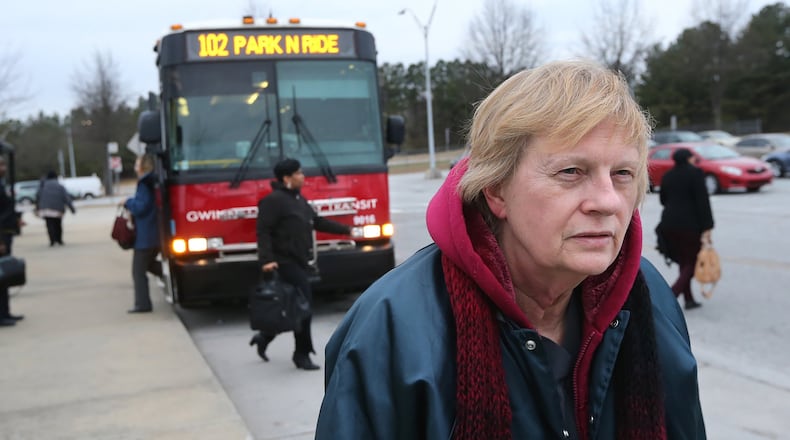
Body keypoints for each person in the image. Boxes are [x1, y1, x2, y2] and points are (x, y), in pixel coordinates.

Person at [315, 60, 706, 439]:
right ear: (497, 189)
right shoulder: (391, 329)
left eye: (622, 174)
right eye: (571, 172)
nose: (607, 202)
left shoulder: (648, 297)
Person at [250, 158, 352, 371]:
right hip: (283, 263)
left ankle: (264, 337)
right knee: (304, 307)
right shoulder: (273, 201)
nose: (302, 176)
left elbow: (317, 221)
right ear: (287, 178)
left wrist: (345, 230)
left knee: (291, 306)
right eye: (298, 173)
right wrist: (267, 260)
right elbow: (263, 231)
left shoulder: (298, 199)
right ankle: (301, 353)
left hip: (299, 261)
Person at [657, 148, 714, 310]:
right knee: (692, 262)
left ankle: (688, 299)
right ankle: (670, 297)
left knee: (684, 262)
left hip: (668, 224)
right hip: (690, 226)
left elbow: (663, 199)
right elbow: (702, 202)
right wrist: (708, 226)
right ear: (688, 159)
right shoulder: (695, 174)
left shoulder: (668, 175)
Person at [124, 154, 162, 313]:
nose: (135, 165)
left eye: (137, 163)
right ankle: (174, 277)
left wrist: (127, 202)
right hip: (154, 232)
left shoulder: (144, 183)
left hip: (146, 235)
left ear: (143, 166)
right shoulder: (152, 182)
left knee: (138, 271)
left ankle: (143, 303)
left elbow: (141, 207)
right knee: (151, 265)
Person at [0, 156, 24, 326]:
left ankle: (5, 311)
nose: (4, 167)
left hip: (7, 232)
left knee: (5, 275)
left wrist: (15, 220)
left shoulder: (3, 185)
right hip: (2, 235)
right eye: (0, 164)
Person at [35, 170, 75, 246]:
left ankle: (52, 240)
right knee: (58, 224)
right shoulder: (60, 186)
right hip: (58, 208)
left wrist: (37, 208)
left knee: (49, 225)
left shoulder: (42, 186)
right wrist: (72, 209)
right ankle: (59, 240)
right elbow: (66, 198)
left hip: (45, 209)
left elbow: (38, 197)